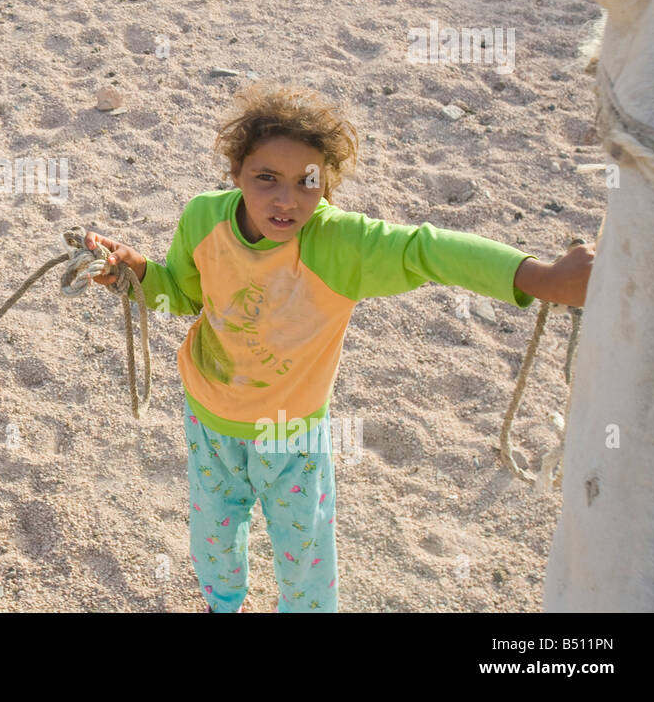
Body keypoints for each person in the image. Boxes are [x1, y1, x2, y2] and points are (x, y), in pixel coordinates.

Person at [85, 83, 593, 612]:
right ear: (235, 173)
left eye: (307, 181)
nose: (286, 199)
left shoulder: (341, 244)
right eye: (266, 179)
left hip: (291, 434)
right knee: (214, 533)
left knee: (303, 553)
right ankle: (223, 603)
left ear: (325, 184)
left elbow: (430, 250)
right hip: (208, 417)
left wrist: (540, 276)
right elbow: (185, 296)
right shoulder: (202, 218)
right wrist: (137, 272)